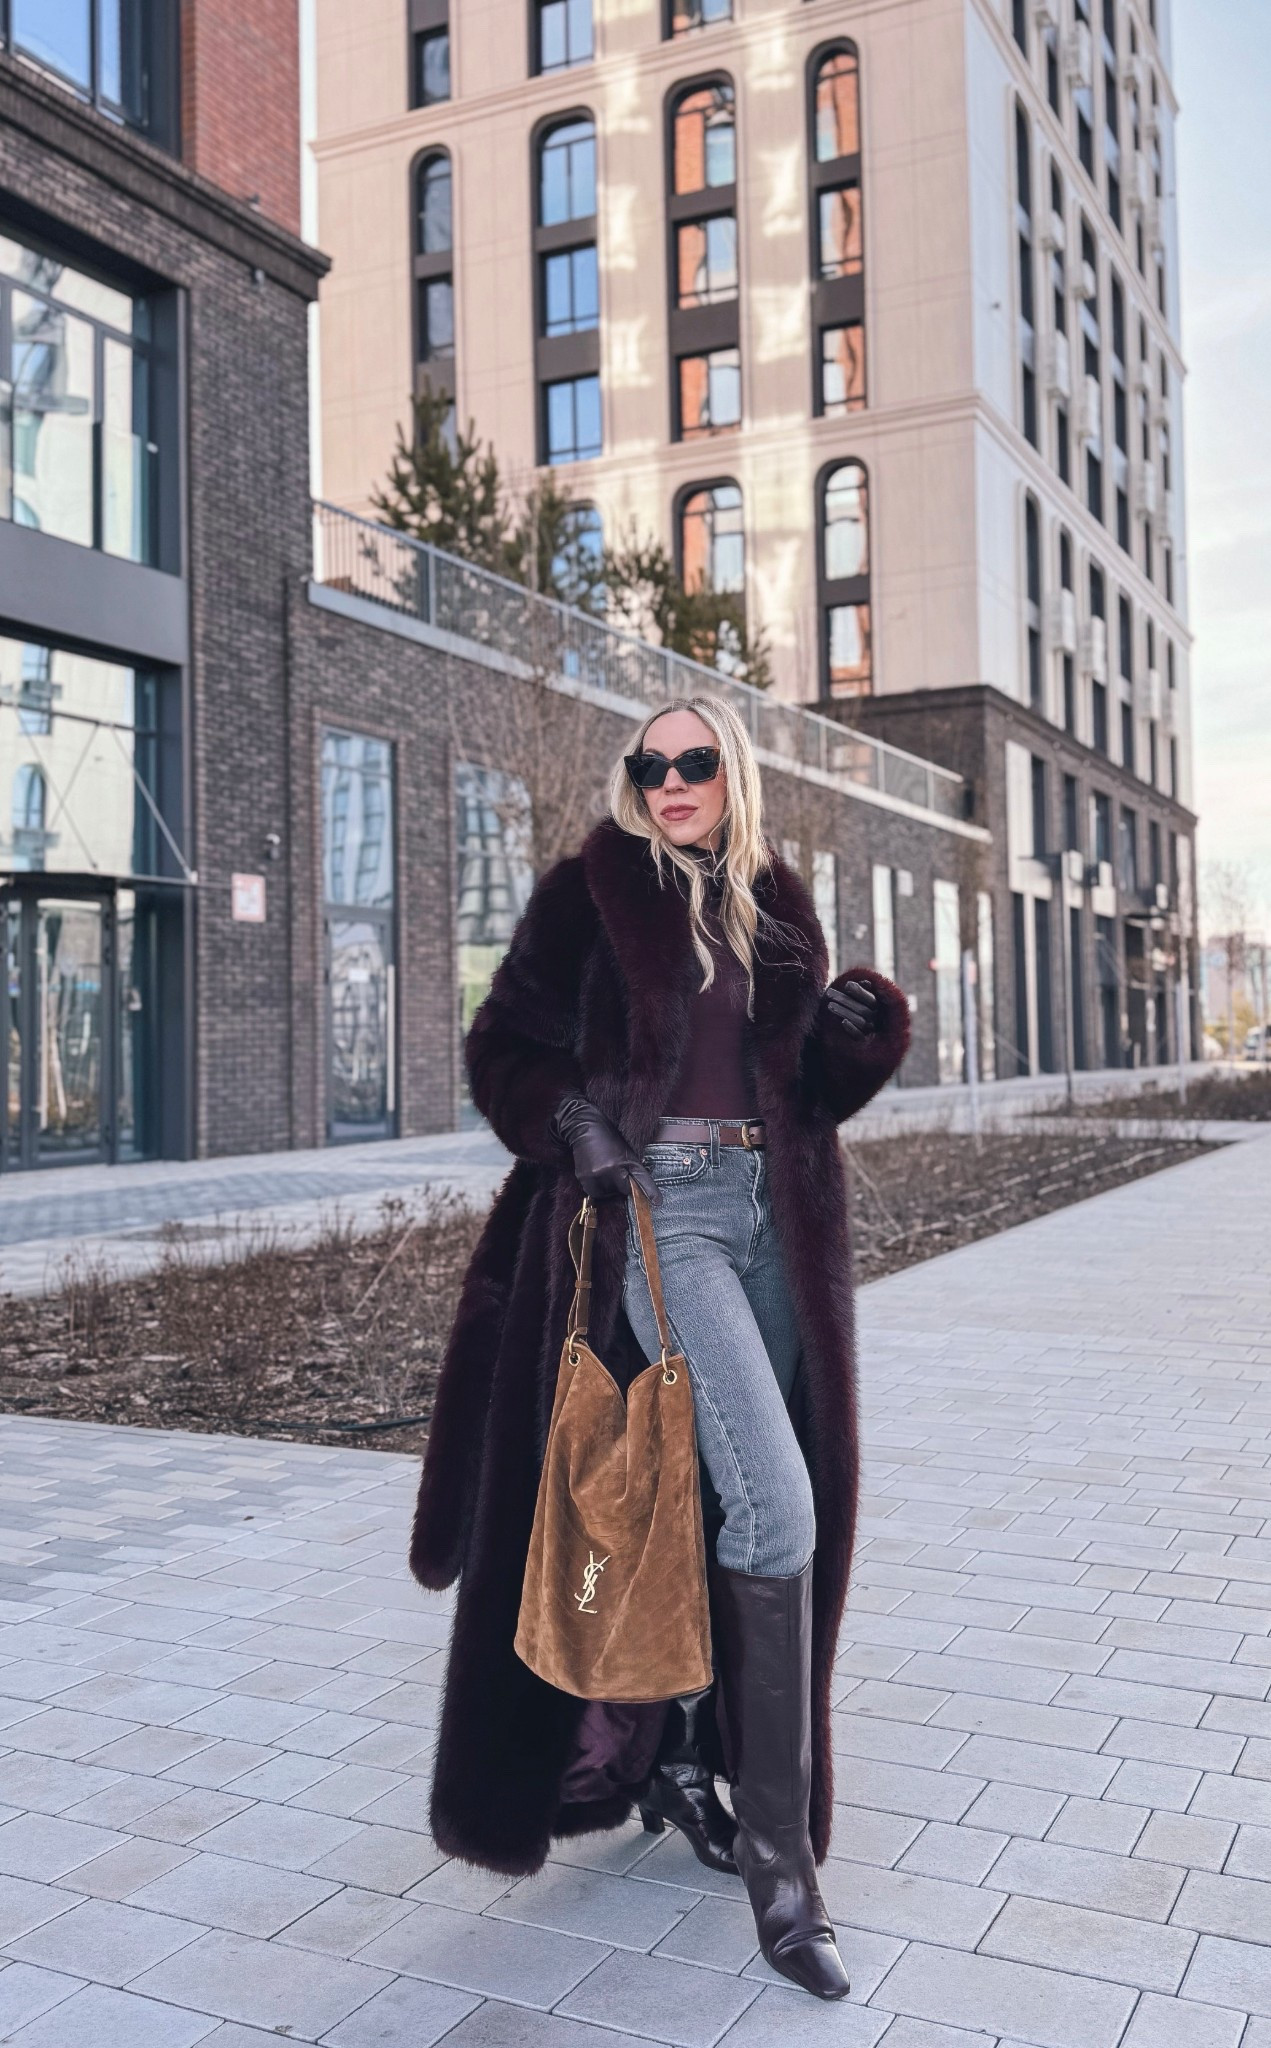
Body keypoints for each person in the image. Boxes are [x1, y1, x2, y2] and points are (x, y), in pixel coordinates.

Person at [410, 694, 910, 1999]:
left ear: (729, 772)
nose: (673, 778)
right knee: (779, 1509)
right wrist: (572, 1116)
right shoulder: (587, 897)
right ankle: (782, 1865)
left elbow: (804, 1092)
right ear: (634, 779)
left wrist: (861, 1039)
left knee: (707, 1499)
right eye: (653, 763)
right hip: (659, 1211)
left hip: (773, 1222)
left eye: (695, 761)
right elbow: (499, 1049)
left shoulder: (771, 899)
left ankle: (684, 1748)